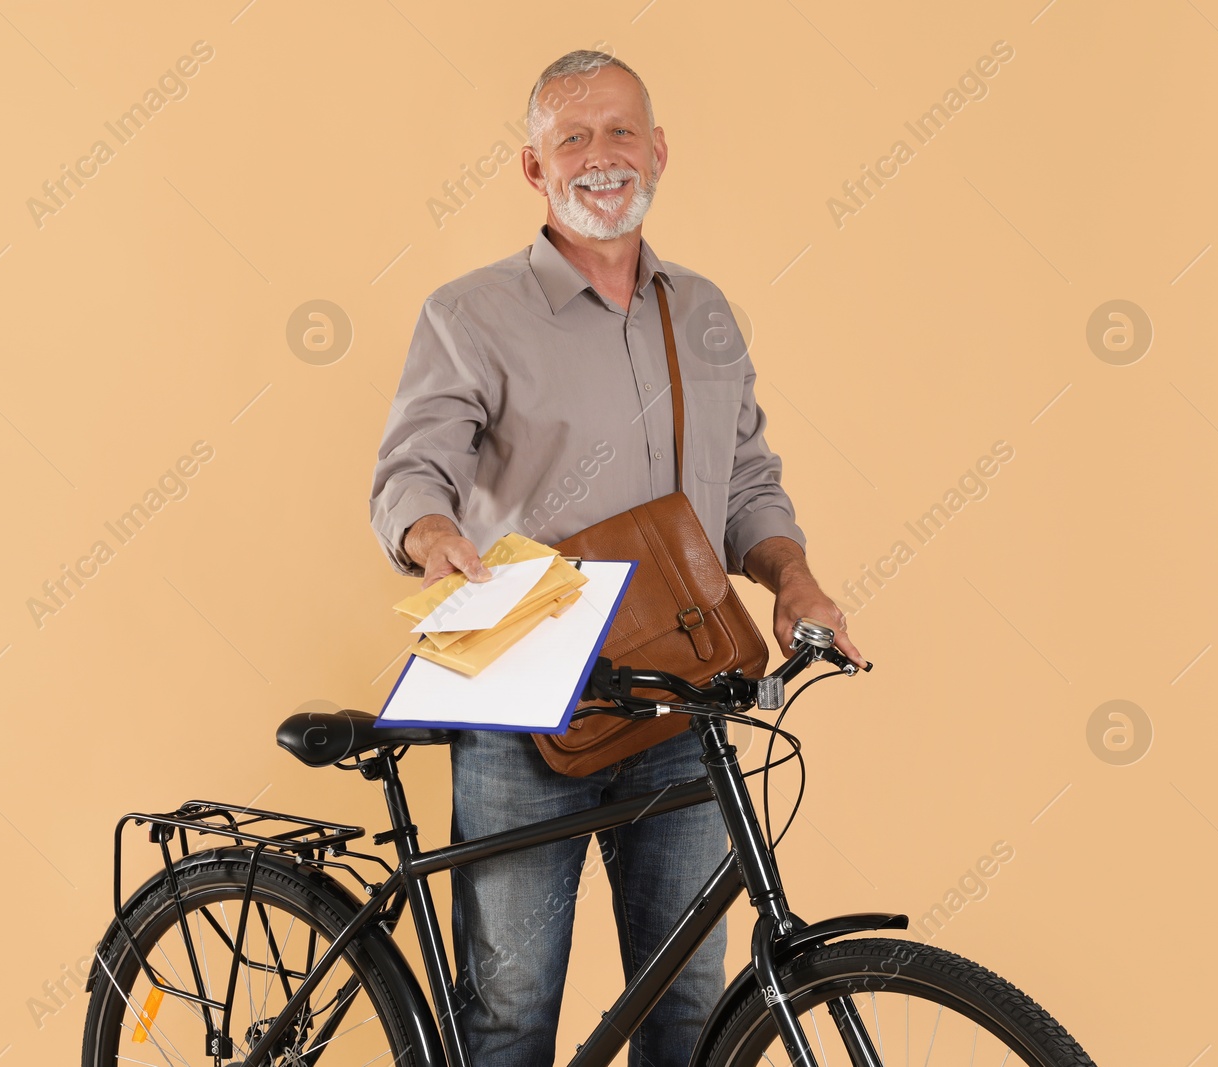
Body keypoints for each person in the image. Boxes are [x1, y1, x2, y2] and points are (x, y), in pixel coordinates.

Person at [369, 49, 864, 1067]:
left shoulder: (707, 311)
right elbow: (409, 473)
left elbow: (746, 483)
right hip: (525, 698)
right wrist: (432, 535)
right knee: (509, 1011)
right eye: (573, 138)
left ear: (660, 151)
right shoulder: (468, 313)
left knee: (686, 1004)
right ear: (533, 168)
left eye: (621, 131)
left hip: (684, 693)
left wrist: (794, 578)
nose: (602, 157)